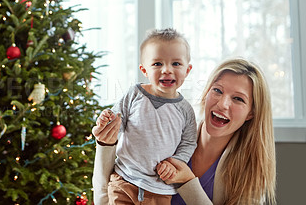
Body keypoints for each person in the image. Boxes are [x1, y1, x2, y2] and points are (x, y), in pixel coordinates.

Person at [92, 58, 276, 205]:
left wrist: (188, 184)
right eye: (217, 90)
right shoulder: (171, 131)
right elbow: (108, 189)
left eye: (238, 99)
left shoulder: (249, 170)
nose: (222, 104)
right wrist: (106, 144)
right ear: (207, 93)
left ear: (251, 113)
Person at [92, 28, 197, 204]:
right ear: (144, 70)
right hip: (124, 179)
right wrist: (106, 121)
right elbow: (117, 121)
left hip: (159, 189)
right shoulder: (135, 94)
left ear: (187, 70)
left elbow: (188, 142)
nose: (166, 70)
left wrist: (175, 163)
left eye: (176, 64)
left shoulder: (185, 110)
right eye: (157, 64)